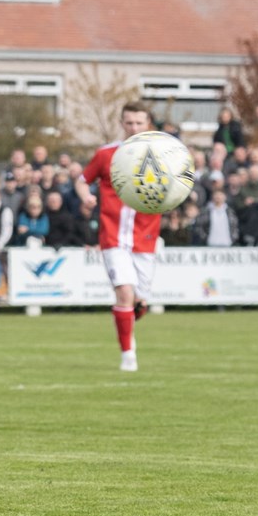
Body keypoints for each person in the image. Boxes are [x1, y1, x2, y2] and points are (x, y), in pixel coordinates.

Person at [80, 102, 165, 372]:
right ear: (122, 123)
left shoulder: (164, 154)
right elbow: (83, 180)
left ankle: (127, 318)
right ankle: (128, 354)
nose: (134, 128)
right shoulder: (107, 154)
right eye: (129, 123)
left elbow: (181, 181)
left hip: (145, 237)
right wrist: (86, 196)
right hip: (113, 236)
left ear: (148, 123)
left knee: (139, 301)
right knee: (125, 293)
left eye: (139, 123)